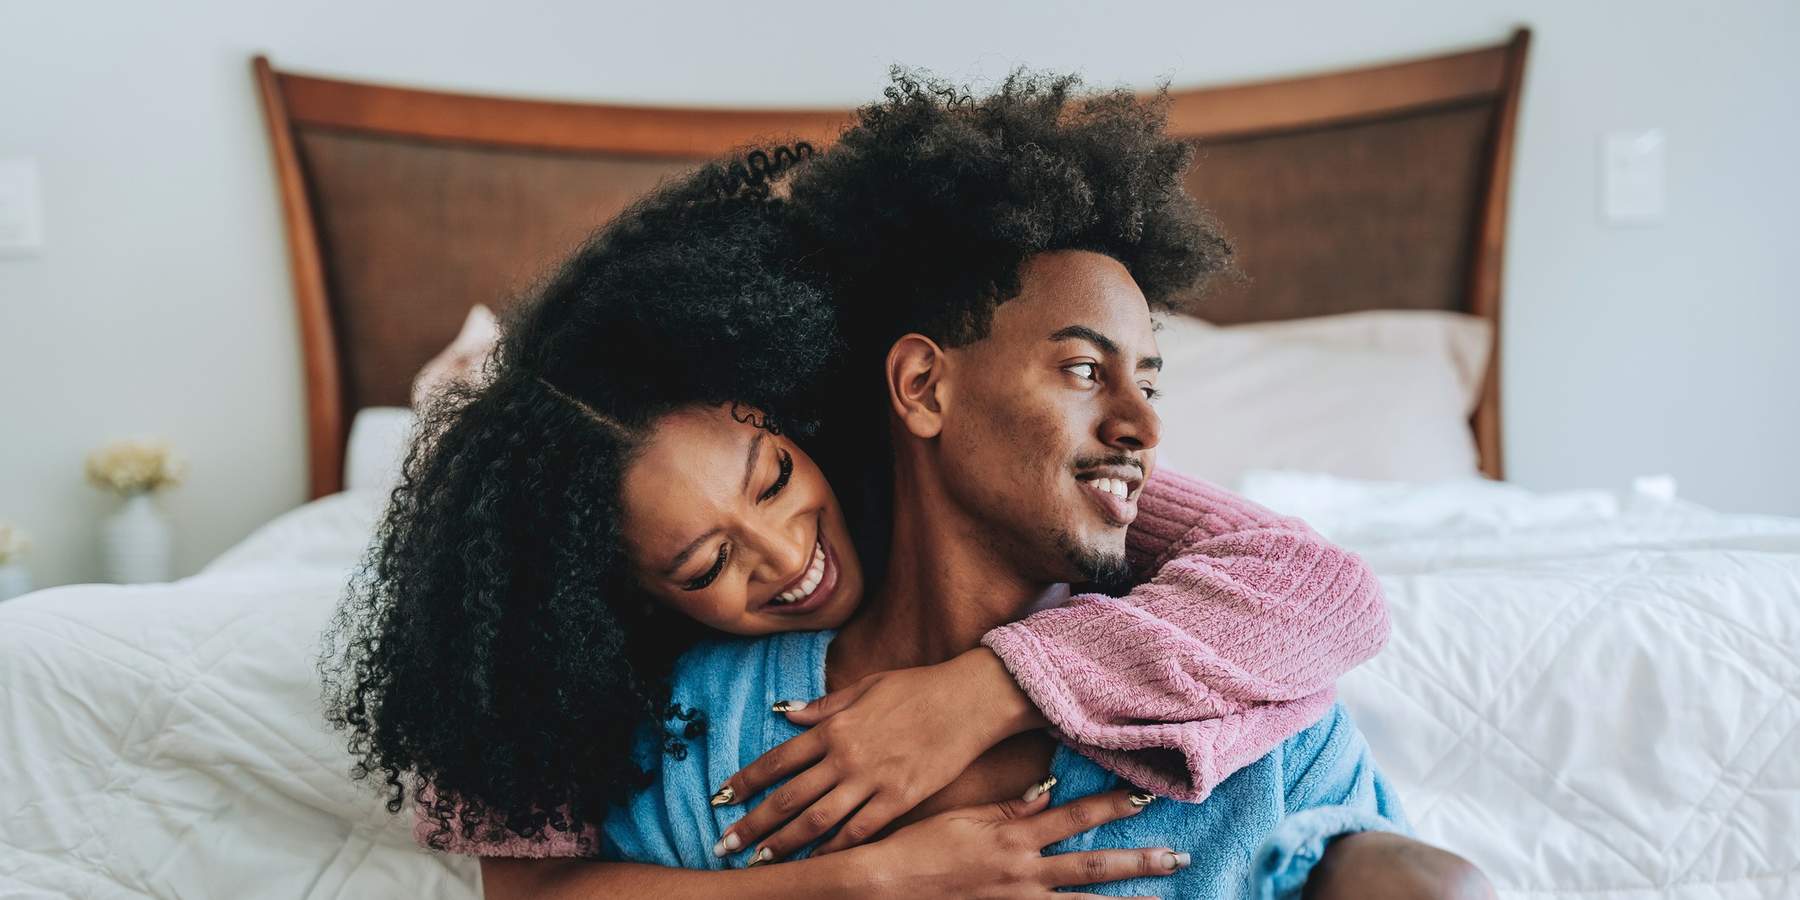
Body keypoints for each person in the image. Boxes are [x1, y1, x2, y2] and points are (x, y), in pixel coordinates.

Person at [321, 84, 1420, 898]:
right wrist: (875, 880)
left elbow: (1316, 587)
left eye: (777, 482)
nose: (786, 552)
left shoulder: (967, 458)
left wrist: (979, 694)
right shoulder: (615, 693)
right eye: (705, 564)